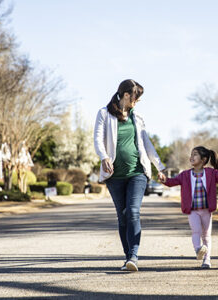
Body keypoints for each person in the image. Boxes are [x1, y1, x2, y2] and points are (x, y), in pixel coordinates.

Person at [94, 79, 166, 272]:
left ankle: (134, 254)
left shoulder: (138, 117)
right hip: (114, 175)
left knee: (133, 211)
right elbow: (98, 139)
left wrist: (159, 165)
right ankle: (128, 259)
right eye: (136, 98)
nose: (137, 101)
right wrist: (104, 157)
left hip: (137, 172)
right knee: (122, 216)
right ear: (126, 95)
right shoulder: (104, 114)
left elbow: (146, 143)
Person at [160, 146, 218, 268]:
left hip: (206, 210)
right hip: (192, 211)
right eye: (191, 154)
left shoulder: (211, 173)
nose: (191, 157)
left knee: (206, 235)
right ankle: (198, 250)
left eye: (195, 154)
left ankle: (207, 260)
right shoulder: (185, 175)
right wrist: (164, 179)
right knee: (196, 231)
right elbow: (171, 182)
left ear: (204, 159)